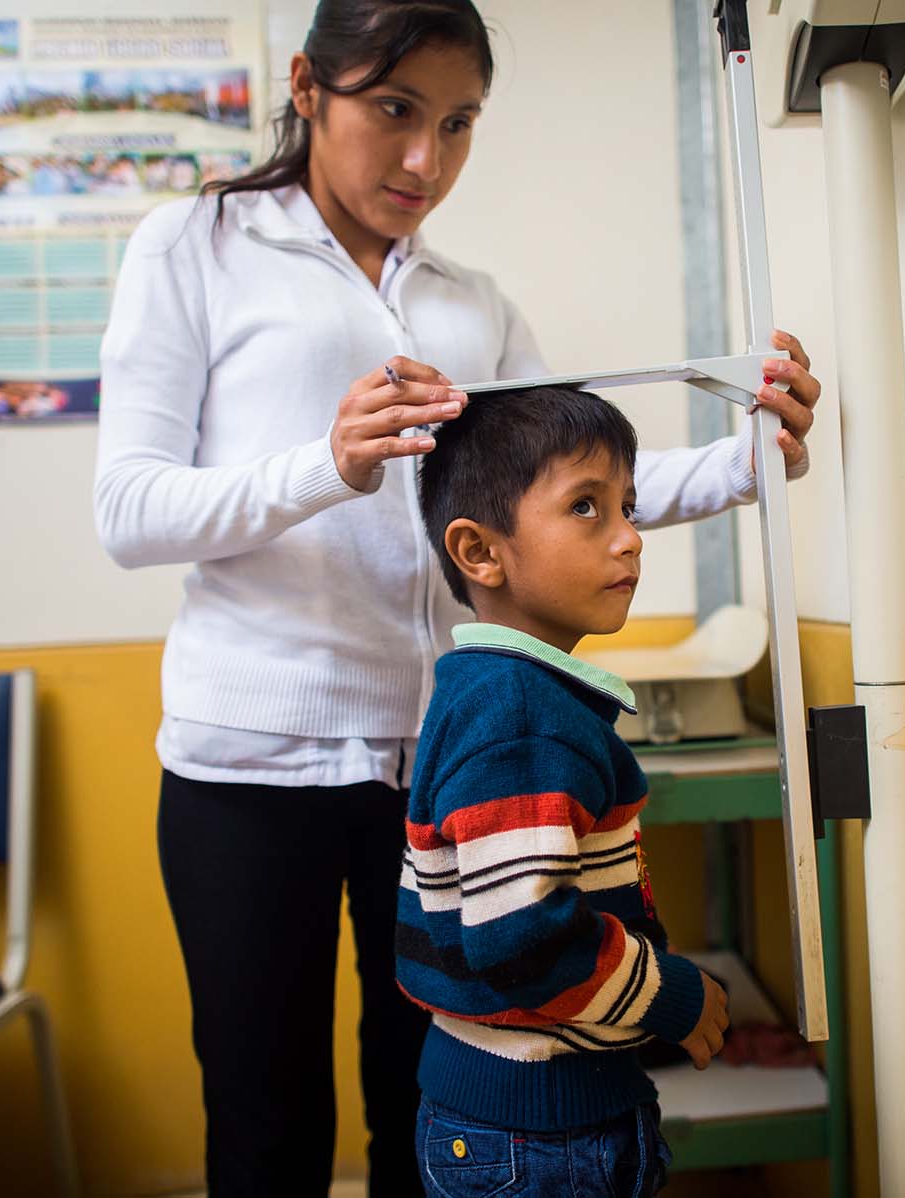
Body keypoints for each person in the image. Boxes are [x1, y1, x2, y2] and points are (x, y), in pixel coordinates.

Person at [92, 2, 821, 1194]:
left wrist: (756, 459)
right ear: (307, 87)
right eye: (395, 111)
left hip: (434, 769)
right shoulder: (196, 243)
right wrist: (329, 465)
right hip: (244, 767)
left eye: (459, 123)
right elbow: (128, 511)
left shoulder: (471, 303)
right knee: (265, 1124)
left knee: (426, 1118)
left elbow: (567, 494)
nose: (426, 160)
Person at [399, 386, 725, 1197]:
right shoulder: (519, 715)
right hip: (538, 1133)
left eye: (629, 507)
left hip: (524, 1110)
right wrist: (673, 996)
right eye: (587, 507)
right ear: (480, 553)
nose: (629, 540)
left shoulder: (500, 689)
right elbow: (524, 942)